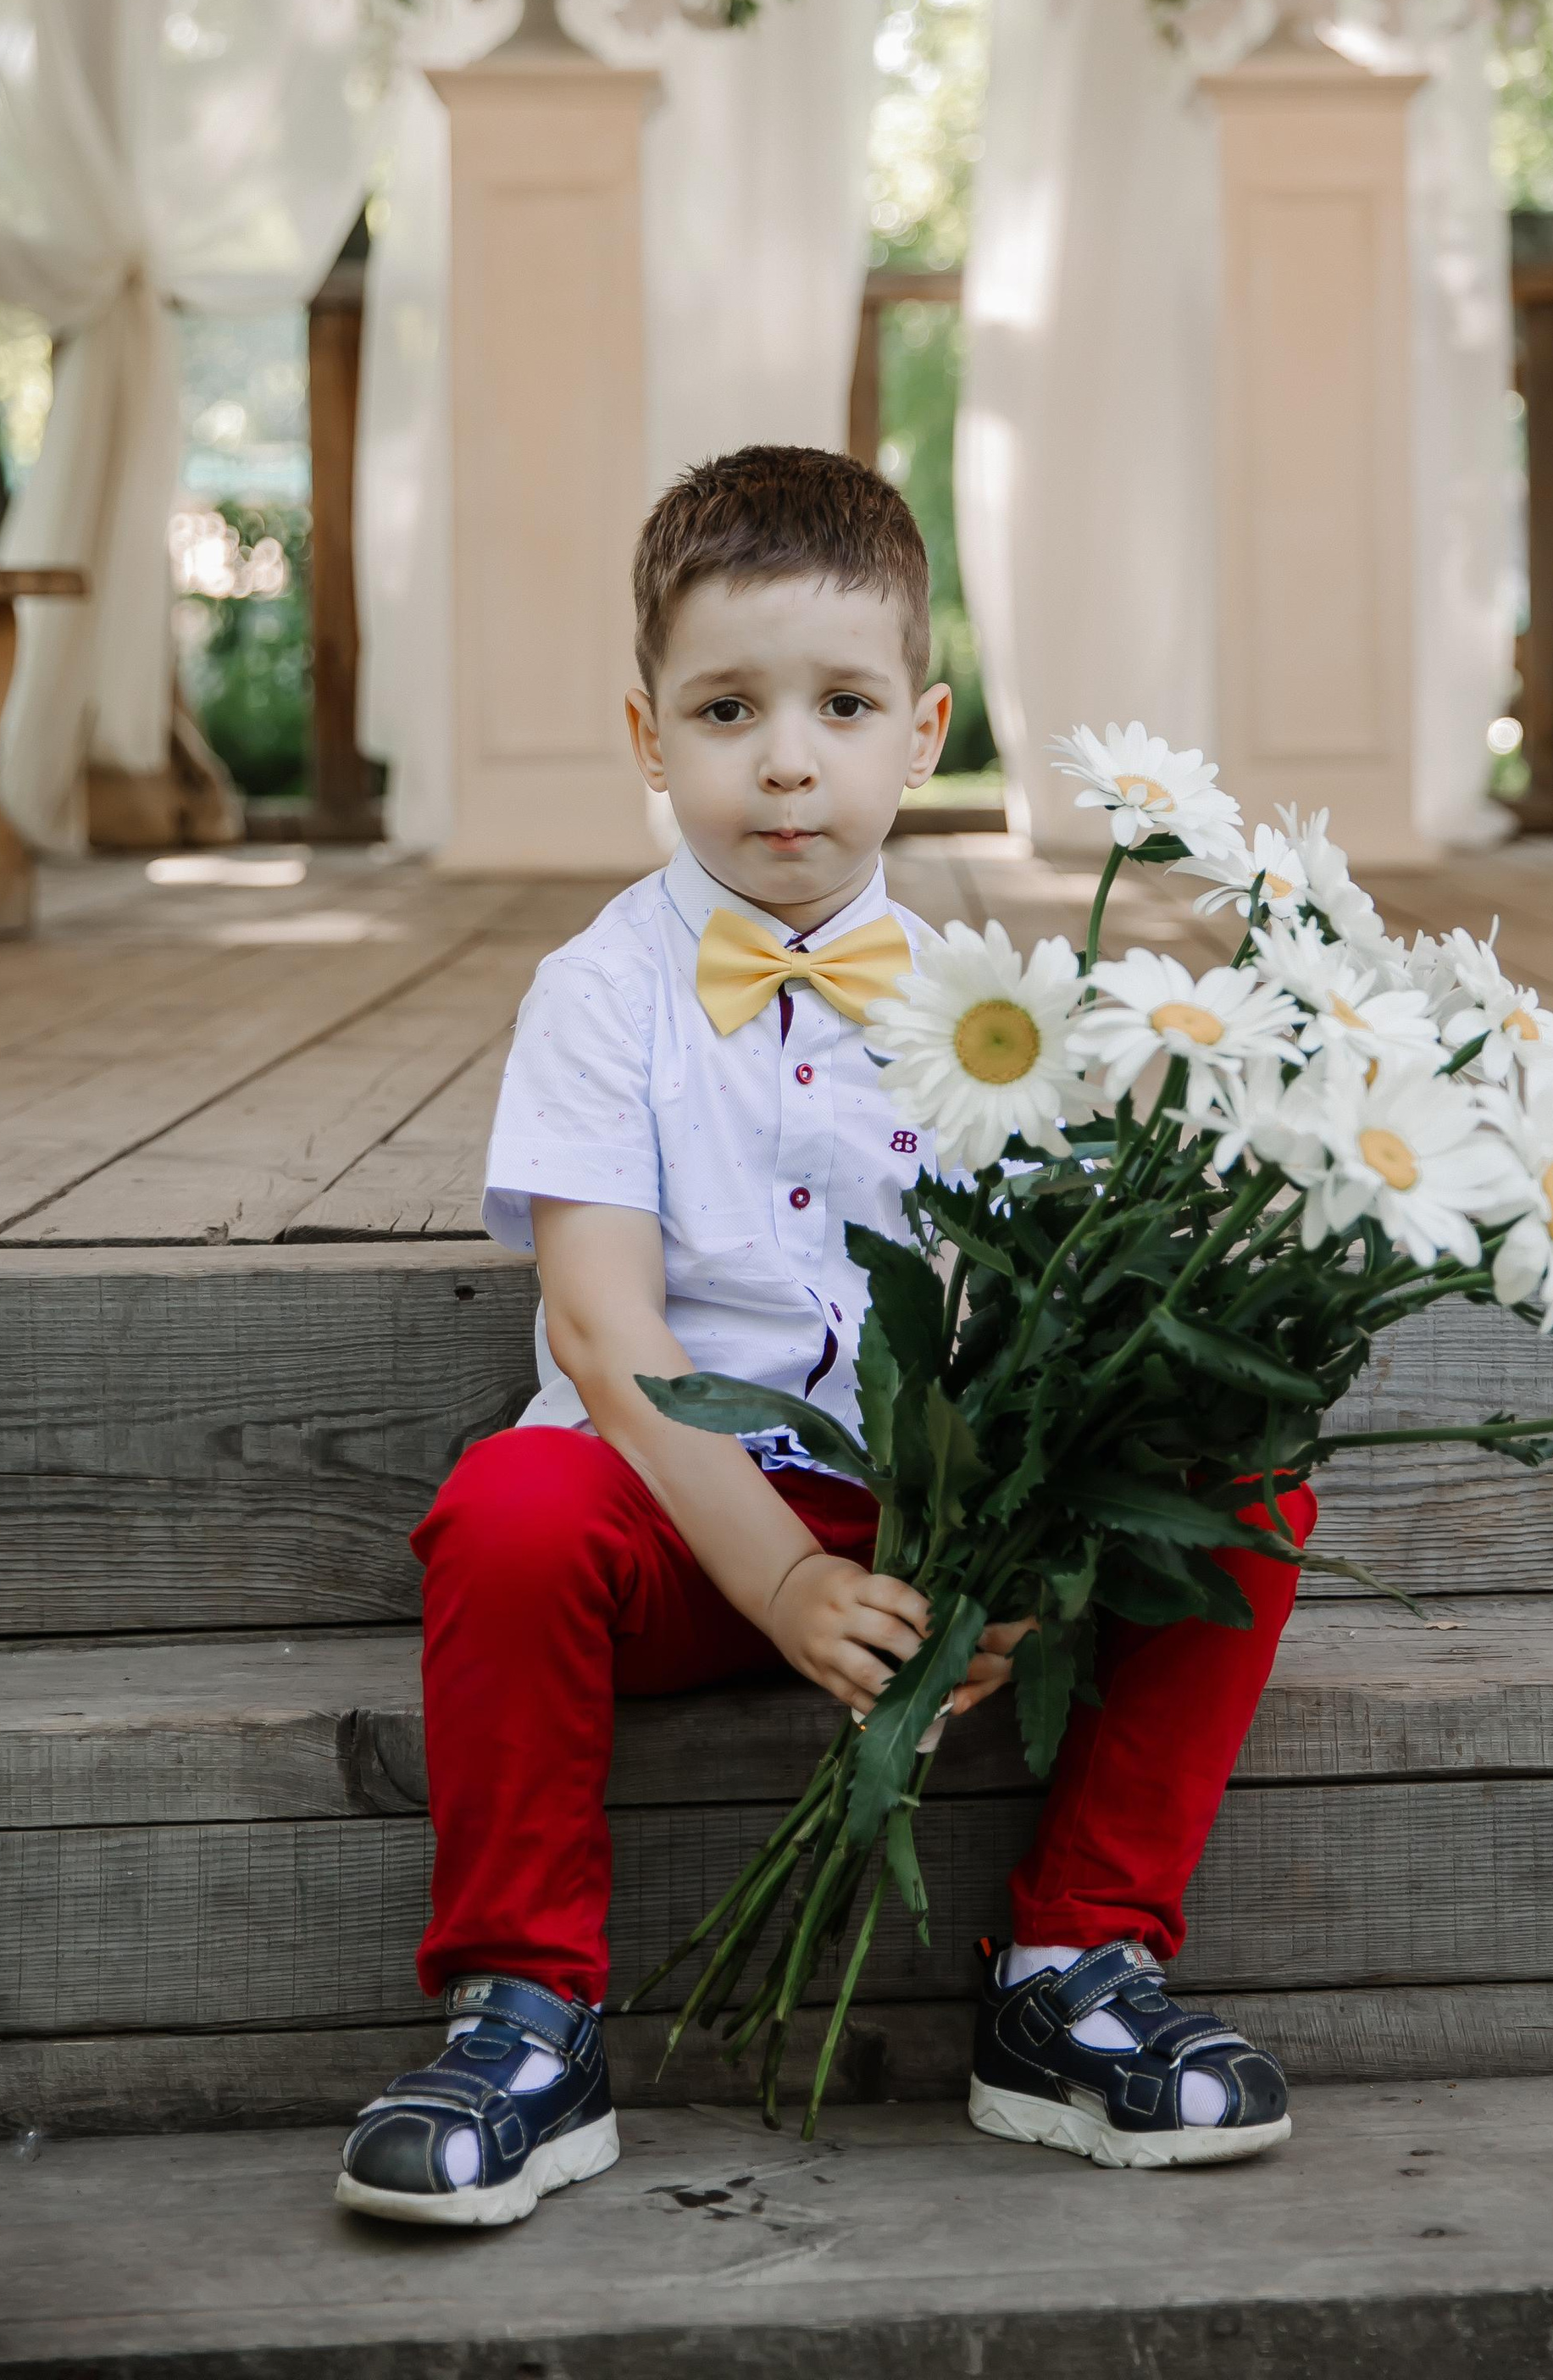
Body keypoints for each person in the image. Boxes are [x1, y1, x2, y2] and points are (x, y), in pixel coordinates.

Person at [336, 446, 1315, 2229]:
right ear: (647, 735)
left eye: (840, 705)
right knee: (505, 1511)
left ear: (921, 729)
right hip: (679, 1519)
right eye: (726, 708)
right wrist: (783, 1582)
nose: (785, 758)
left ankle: (1067, 1971)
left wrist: (1000, 1541)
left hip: (924, 1533)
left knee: (1233, 1462)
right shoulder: (599, 995)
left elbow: (1030, 1316)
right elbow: (601, 1327)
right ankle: (528, 2014)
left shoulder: (996, 1010)